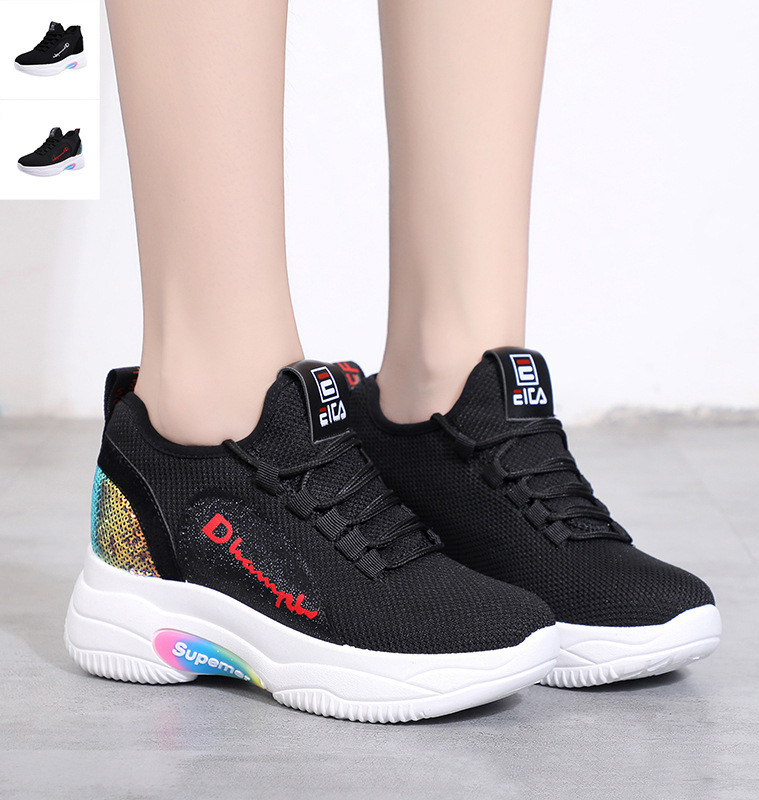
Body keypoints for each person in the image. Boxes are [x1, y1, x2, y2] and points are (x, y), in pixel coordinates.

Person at [64, 0, 719, 722]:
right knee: (229, 375)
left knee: (460, 349)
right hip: (205, 463)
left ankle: (439, 390)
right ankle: (210, 403)